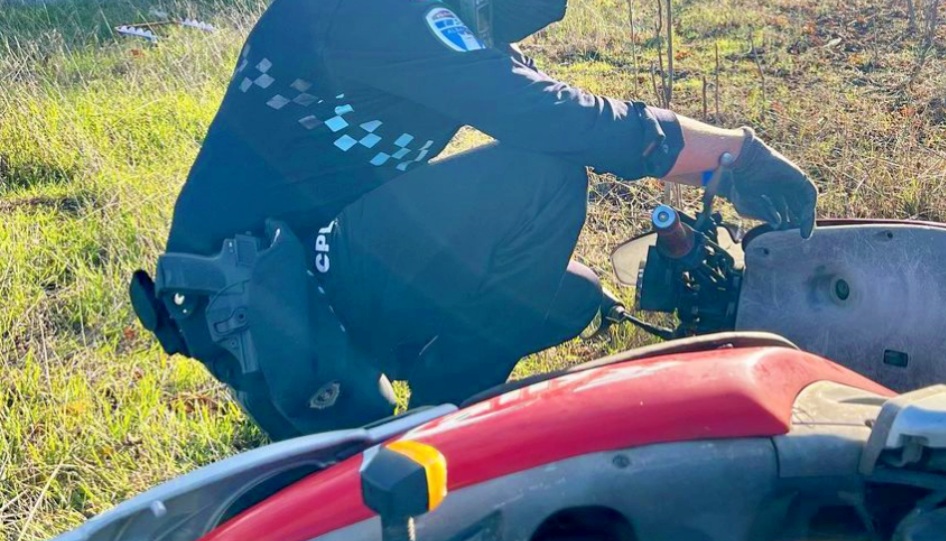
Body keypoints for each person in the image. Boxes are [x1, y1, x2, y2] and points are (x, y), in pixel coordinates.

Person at [131, 0, 819, 440]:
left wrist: (719, 164)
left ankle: (440, 414)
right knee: (541, 178)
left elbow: (545, 93)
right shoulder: (380, 14)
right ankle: (437, 426)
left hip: (308, 270)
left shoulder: (442, 26)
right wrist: (734, 157)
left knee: (565, 294)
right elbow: (553, 119)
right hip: (255, 299)